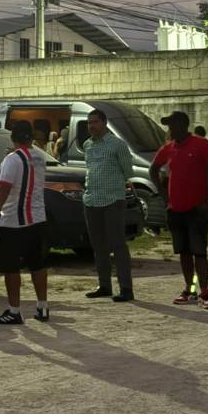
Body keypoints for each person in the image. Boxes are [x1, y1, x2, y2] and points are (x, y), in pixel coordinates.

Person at [150, 110, 208, 310]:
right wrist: (163, 195)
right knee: (184, 252)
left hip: (197, 209)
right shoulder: (168, 148)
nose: (169, 129)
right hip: (176, 209)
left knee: (199, 252)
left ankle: (204, 292)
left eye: (172, 125)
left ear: (183, 125)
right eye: (168, 125)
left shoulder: (202, 145)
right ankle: (189, 289)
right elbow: (153, 169)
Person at [0, 120, 49, 324]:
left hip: (14, 219)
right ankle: (42, 306)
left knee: (11, 267)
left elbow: (3, 189)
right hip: (38, 217)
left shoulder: (11, 160)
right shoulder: (40, 156)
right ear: (31, 136)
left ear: (12, 138)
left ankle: (14, 310)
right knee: (37, 264)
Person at [82, 108, 134, 302]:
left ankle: (126, 288)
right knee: (98, 246)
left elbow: (127, 170)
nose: (91, 126)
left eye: (94, 122)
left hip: (113, 200)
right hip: (91, 200)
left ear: (104, 123)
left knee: (118, 244)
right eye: (89, 122)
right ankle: (104, 285)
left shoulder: (117, 145)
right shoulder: (88, 145)